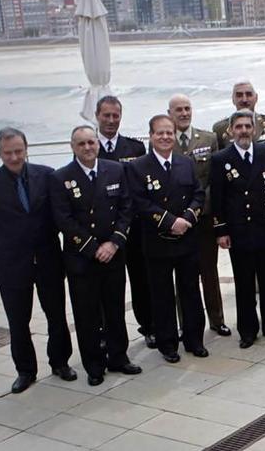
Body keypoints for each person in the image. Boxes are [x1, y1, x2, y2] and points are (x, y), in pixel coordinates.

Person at [50, 126, 141, 385]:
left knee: (115, 309)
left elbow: (126, 207)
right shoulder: (61, 178)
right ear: (72, 147)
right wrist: (92, 247)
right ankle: (94, 364)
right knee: (86, 314)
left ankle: (119, 357)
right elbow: (63, 220)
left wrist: (114, 243)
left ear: (98, 145)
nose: (88, 147)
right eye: (81, 144)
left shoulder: (115, 170)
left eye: (91, 142)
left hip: (113, 254)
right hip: (82, 259)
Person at [0, 128, 75, 394]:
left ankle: (60, 361)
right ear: (0, 153)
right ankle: (26, 371)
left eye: (18, 151)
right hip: (11, 265)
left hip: (48, 259)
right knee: (18, 321)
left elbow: (61, 215)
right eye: (8, 153)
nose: (14, 157)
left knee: (56, 314)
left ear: (27, 149)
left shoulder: (47, 175)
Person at [127, 115, 207, 363]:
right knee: (161, 296)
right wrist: (169, 221)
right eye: (159, 133)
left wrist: (186, 219)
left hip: (186, 239)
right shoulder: (138, 167)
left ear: (174, 135)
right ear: (151, 136)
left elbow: (198, 194)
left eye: (169, 133)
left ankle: (195, 340)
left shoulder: (186, 163)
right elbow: (140, 202)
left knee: (191, 292)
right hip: (157, 241)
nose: (164, 137)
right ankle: (168, 344)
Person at [212, 81, 265, 323]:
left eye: (248, 126)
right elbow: (218, 197)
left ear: (254, 129)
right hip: (240, 229)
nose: (244, 130)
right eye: (239, 127)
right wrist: (221, 230)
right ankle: (247, 329)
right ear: (231, 131)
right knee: (244, 283)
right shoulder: (220, 158)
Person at [169, 94, 230, 337]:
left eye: (187, 108)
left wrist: (196, 210)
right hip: (177, 222)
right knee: (183, 275)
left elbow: (213, 181)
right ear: (170, 113)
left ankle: (217, 319)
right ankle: (186, 324)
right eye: (178, 110)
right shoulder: (163, 140)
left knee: (209, 271)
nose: (184, 113)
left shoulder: (208, 138)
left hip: (203, 217)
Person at [95, 96, 154, 348]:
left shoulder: (135, 149)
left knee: (142, 279)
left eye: (115, 115)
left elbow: (141, 189)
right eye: (106, 115)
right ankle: (107, 333)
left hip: (136, 227)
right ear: (97, 116)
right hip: (105, 232)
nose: (111, 120)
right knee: (107, 287)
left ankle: (149, 326)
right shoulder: (88, 147)